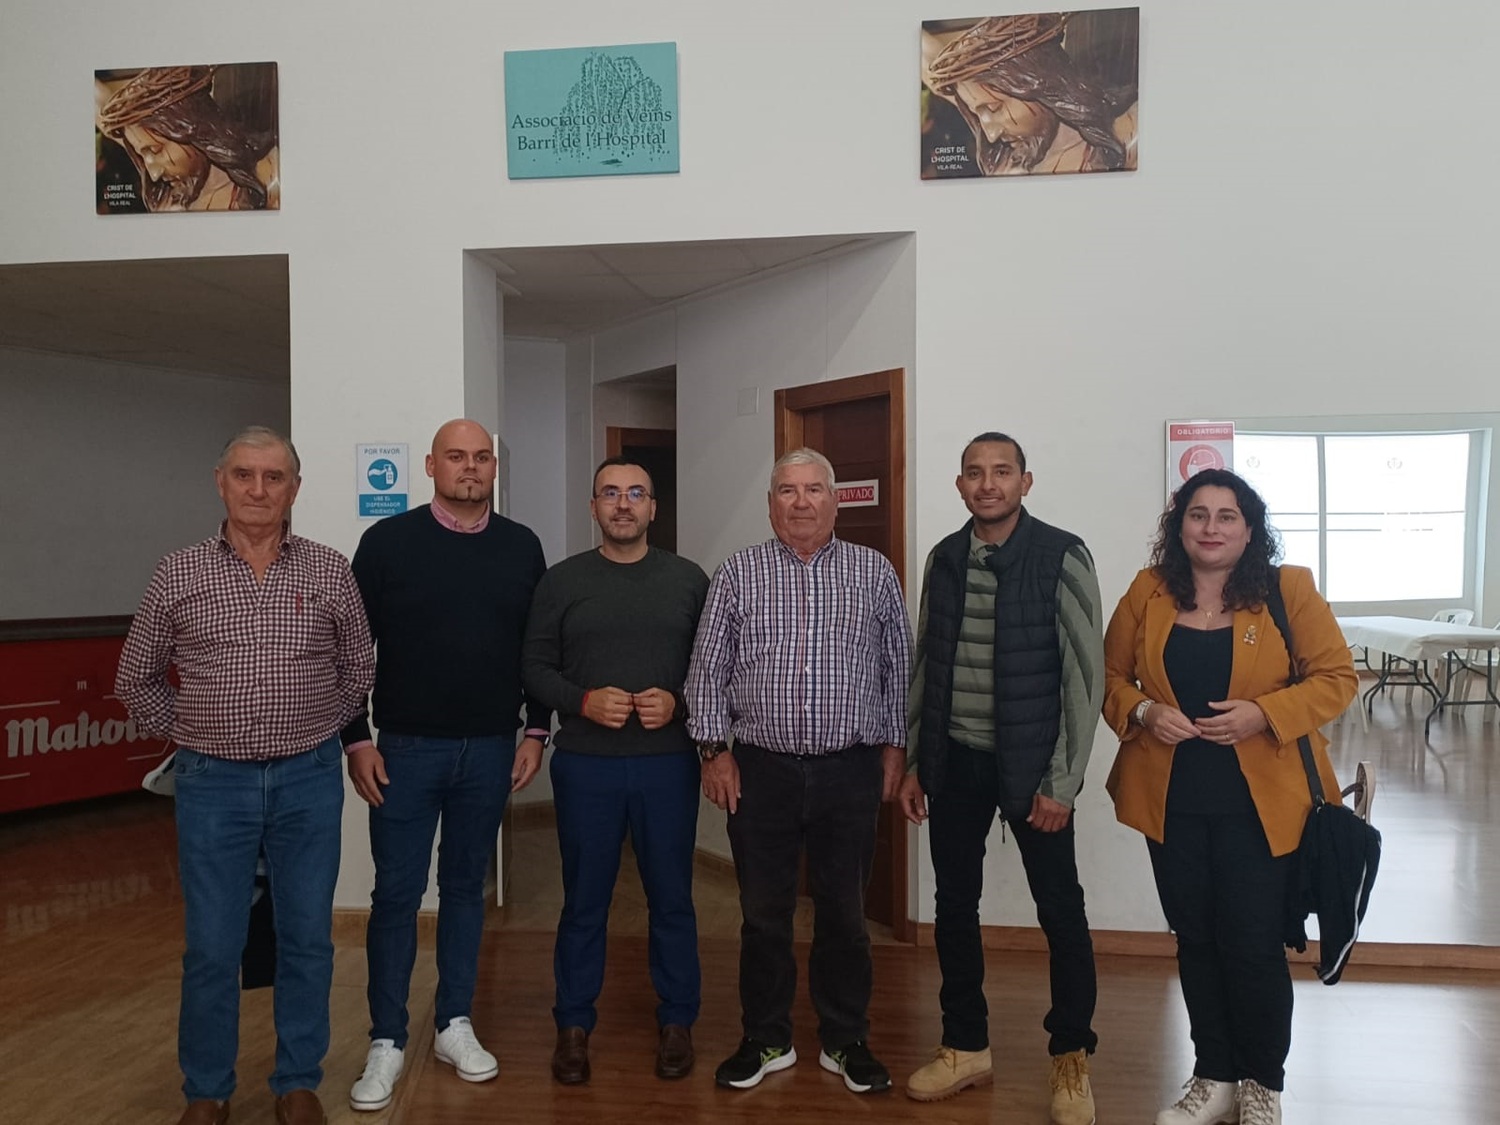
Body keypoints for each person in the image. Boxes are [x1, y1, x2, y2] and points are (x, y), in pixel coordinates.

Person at [116, 426, 375, 1125]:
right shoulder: (178, 572)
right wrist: (191, 731)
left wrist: (318, 726)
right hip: (213, 785)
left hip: (307, 779)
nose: (258, 489)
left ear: (295, 488)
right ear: (220, 481)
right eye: (244, 475)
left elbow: (359, 665)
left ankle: (297, 1081)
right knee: (212, 945)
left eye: (274, 476)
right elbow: (135, 678)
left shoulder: (329, 570)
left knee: (307, 937)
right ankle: (207, 1090)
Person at [1102, 469, 1357, 1125]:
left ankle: (1262, 1083)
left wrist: (1264, 713)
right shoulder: (1148, 590)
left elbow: (1337, 677)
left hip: (1263, 808)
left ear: (1249, 530)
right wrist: (1144, 711)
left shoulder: (1286, 589)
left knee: (1252, 944)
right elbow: (1109, 677)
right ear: (1179, 525)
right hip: (1172, 802)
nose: (1211, 527)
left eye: (1226, 516)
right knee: (1195, 940)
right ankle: (1213, 1074)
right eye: (1198, 514)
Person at [684, 447, 912, 1096]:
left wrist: (895, 749)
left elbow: (899, 667)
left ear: (835, 501)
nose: (802, 501)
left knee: (845, 914)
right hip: (761, 771)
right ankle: (766, 1037)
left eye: (814, 489)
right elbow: (706, 671)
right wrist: (713, 750)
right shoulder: (738, 573)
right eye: (788, 490)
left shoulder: (873, 572)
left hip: (849, 770)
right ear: (770, 504)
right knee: (763, 914)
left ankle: (845, 1038)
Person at [341, 419, 551, 1112]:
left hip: (490, 747)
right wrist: (356, 737)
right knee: (397, 896)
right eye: (456, 456)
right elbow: (349, 648)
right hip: (403, 749)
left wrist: (537, 729)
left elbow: (536, 648)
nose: (470, 467)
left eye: (482, 457)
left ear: (494, 467)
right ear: (431, 465)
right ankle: (386, 1038)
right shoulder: (387, 543)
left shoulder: (521, 546)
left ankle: (453, 1021)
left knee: (465, 889)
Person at [897, 433, 1104, 1124]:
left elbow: (1085, 676)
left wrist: (1062, 782)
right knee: (954, 904)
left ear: (1025, 482)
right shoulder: (945, 558)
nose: (988, 484)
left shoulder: (1062, 554)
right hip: (955, 761)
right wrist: (916, 760)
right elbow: (927, 663)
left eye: (1002, 472)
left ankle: (1070, 1055)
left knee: (1060, 909)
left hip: (1034, 765)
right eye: (975, 473)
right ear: (960, 485)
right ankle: (965, 1045)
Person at [522, 457, 710, 1085]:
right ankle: (573, 1025)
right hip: (587, 767)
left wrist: (679, 702)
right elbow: (534, 668)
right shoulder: (561, 581)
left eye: (636, 493)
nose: (623, 504)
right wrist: (581, 701)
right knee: (584, 901)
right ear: (593, 506)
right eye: (610, 493)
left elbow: (717, 667)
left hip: (668, 767)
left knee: (672, 899)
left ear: (654, 507)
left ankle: (677, 1020)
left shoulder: (689, 580)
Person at [921, 12, 1138, 176]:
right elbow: (928, 63)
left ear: (1040, 83)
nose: (991, 135)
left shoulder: (1127, 135)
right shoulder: (1006, 161)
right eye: (977, 113)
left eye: (995, 108)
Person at [96, 65, 280, 211]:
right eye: (142, 156)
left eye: (156, 150)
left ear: (192, 128)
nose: (154, 174)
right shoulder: (166, 198)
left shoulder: (267, 176)